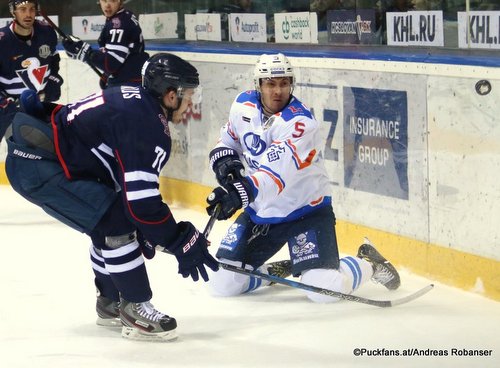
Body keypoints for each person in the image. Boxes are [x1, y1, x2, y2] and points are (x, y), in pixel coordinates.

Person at [5, 53, 219, 341]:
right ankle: (134, 307)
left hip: (44, 153)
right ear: (170, 95)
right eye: (189, 94)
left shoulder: (136, 101)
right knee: (115, 222)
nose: (192, 103)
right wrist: (177, 240)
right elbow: (141, 204)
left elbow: (124, 182)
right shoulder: (148, 124)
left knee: (111, 218)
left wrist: (153, 230)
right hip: (40, 163)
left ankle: (109, 303)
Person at [205, 53, 401, 303]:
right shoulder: (243, 105)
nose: (278, 91)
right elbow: (227, 140)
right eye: (270, 84)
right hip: (262, 213)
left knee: (322, 292)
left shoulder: (300, 123)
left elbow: (272, 179)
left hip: (305, 212)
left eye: (284, 83)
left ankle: (369, 263)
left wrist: (236, 193)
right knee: (222, 283)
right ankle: (269, 273)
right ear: (259, 85)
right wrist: (226, 164)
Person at [0, 0, 62, 143]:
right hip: (7, 109)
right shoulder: (2, 41)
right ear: (13, 11)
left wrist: (53, 80)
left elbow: (54, 60)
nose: (28, 14)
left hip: (37, 106)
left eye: (31, 9)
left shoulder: (47, 32)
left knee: (44, 149)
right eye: (22, 9)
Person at [62, 0, 149, 89]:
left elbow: (111, 63)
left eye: (112, 0)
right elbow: (124, 55)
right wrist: (107, 75)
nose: (107, 5)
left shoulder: (118, 23)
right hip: (133, 79)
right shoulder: (125, 15)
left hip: (128, 84)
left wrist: (86, 52)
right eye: (104, 0)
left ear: (120, 2)